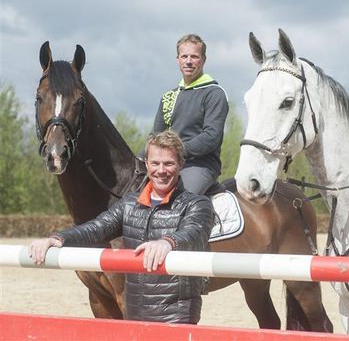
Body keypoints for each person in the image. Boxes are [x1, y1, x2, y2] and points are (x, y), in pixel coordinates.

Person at [29, 130, 214, 323]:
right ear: (146, 164)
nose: (161, 170)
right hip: (133, 316)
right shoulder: (130, 203)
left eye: (168, 163)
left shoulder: (197, 204)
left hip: (175, 317)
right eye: (155, 163)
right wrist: (57, 238)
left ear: (180, 165)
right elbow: (97, 227)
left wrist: (168, 242)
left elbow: (194, 233)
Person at [149, 33, 229, 195]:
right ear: (177, 59)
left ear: (203, 60)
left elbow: (211, 137)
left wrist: (175, 152)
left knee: (180, 199)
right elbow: (156, 135)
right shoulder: (168, 96)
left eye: (194, 56)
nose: (189, 61)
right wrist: (141, 157)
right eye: (184, 56)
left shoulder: (214, 93)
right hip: (166, 162)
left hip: (200, 165)